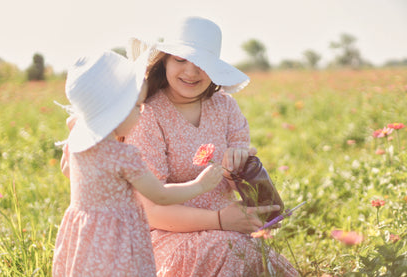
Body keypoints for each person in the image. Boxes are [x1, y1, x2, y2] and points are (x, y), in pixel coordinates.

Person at [124, 16, 299, 276]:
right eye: (180, 59)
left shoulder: (225, 106)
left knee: (246, 254)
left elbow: (239, 184)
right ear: (165, 61)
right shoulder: (148, 115)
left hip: (229, 229)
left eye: (202, 63)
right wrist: (218, 220)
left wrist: (237, 172)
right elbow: (150, 211)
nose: (191, 72)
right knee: (223, 250)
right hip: (166, 235)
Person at [53, 50, 223, 276]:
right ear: (115, 113)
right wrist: (200, 186)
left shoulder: (77, 144)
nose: (141, 114)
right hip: (116, 237)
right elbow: (159, 195)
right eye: (136, 107)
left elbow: (67, 171)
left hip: (84, 233)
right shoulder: (124, 156)